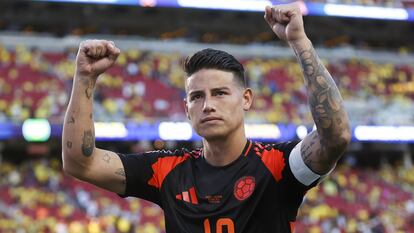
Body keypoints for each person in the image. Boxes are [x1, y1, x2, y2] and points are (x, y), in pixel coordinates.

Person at [62, 2, 351, 233]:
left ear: (246, 99)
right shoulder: (166, 171)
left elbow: (335, 136)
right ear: (187, 108)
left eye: (221, 93)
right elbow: (80, 163)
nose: (208, 105)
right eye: (197, 96)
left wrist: (300, 42)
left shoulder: (278, 165)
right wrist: (85, 77)